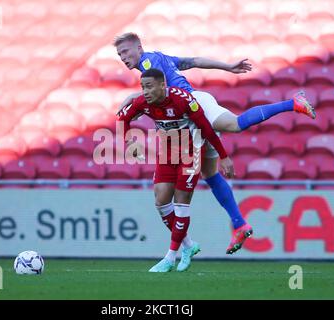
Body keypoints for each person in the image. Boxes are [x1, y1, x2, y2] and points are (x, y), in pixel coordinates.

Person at [113, 32, 315, 255]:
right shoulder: (159, 57)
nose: (122, 57)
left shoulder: (148, 62)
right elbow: (195, 61)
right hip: (192, 110)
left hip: (194, 106)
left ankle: (292, 103)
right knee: (210, 174)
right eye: (119, 53)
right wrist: (227, 67)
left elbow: (159, 89)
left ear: (139, 48)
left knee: (236, 124)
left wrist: (134, 99)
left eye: (125, 51)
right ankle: (239, 224)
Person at [119, 68, 230, 272]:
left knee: (180, 204)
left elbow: (206, 129)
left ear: (163, 85)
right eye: (142, 87)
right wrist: (130, 143)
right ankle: (188, 245)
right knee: (161, 201)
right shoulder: (143, 103)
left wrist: (223, 156)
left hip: (191, 152)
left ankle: (170, 257)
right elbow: (122, 119)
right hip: (167, 153)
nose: (145, 91)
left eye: (149, 86)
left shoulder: (183, 101)